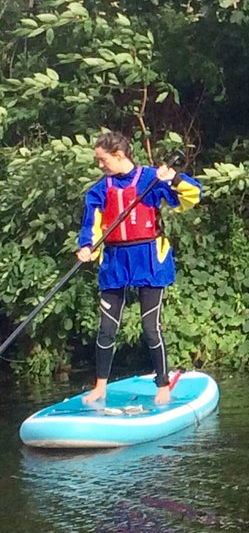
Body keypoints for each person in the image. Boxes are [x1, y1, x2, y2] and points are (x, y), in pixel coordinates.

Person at [76, 132, 202, 405]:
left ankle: (163, 385)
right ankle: (100, 387)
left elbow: (193, 196)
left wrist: (173, 178)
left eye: (102, 160)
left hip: (149, 259)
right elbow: (91, 226)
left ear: (119, 156)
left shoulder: (151, 179)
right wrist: (86, 247)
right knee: (106, 329)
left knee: (150, 327)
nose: (100, 165)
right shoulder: (98, 190)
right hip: (115, 262)